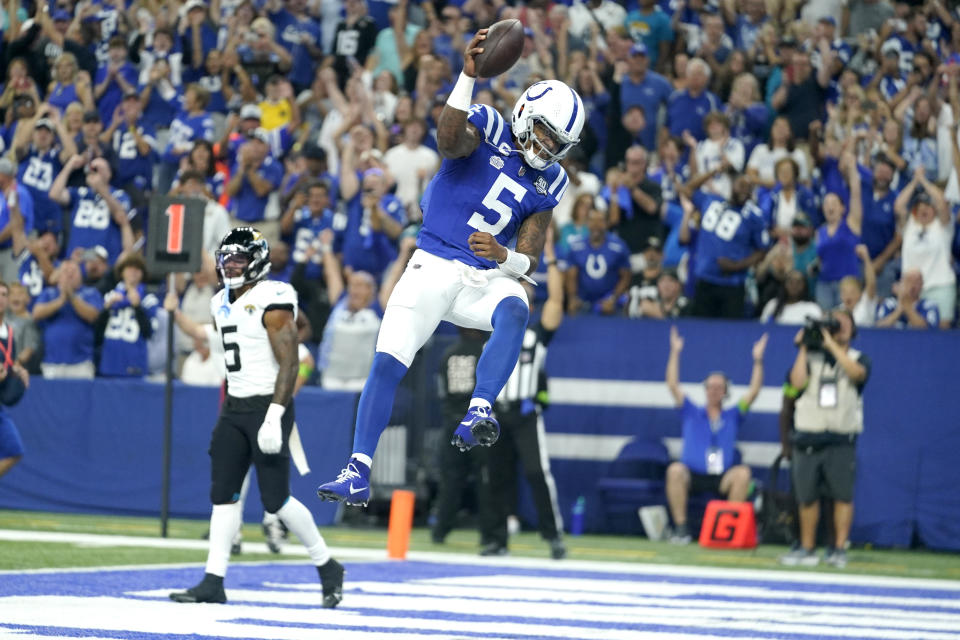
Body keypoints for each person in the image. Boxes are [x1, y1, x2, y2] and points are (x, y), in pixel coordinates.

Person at [316, 31, 584, 506]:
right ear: (524, 114)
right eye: (542, 131)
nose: (544, 145)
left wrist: (506, 258)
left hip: (481, 275)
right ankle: (357, 469)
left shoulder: (552, 180)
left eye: (555, 141)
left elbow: (532, 256)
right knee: (388, 360)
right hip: (433, 262)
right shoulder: (490, 124)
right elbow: (448, 139)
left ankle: (480, 409)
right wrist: (467, 77)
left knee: (517, 303)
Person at [168, 227, 344, 606]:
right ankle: (213, 580)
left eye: (238, 260)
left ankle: (327, 564)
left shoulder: (275, 298)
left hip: (269, 404)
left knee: (276, 500)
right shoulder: (219, 301)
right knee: (223, 497)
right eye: (225, 260)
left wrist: (275, 414)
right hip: (234, 407)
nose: (230, 267)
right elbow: (221, 339)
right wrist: (177, 315)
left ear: (258, 262)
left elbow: (290, 362)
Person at [480, 231, 566, 559]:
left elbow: (557, 302)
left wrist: (553, 255)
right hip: (495, 414)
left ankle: (553, 535)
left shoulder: (536, 334)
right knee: (495, 478)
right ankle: (496, 539)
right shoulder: (490, 327)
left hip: (526, 412)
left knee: (536, 473)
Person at [782, 309, 870, 568]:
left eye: (844, 323)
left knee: (843, 496)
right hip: (809, 435)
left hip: (841, 437)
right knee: (807, 497)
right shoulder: (811, 356)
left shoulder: (858, 357)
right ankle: (808, 548)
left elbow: (857, 374)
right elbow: (796, 384)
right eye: (834, 322)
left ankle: (838, 549)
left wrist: (831, 344)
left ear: (853, 330)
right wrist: (804, 347)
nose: (838, 326)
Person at [664, 326, 767, 544]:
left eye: (719, 387)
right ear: (705, 389)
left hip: (722, 476)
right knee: (674, 471)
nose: (714, 391)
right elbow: (672, 385)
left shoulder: (733, 414)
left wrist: (757, 360)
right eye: (711, 387)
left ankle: (727, 529)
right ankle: (681, 529)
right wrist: (675, 352)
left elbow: (754, 392)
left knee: (742, 474)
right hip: (692, 475)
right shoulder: (691, 411)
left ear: (726, 392)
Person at [32, 260, 102, 379]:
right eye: (65, 271)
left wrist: (71, 297)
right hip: (52, 362)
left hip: (81, 364)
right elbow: (36, 313)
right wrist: (60, 301)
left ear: (80, 275)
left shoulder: (91, 293)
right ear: (59, 276)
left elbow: (93, 315)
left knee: (81, 397)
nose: (69, 275)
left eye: (73, 271)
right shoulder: (49, 293)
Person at [94, 253, 159, 378]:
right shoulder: (110, 297)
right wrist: (106, 309)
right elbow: (97, 333)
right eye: (129, 268)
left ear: (143, 273)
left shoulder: (149, 299)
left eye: (137, 268)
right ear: (122, 272)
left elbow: (149, 332)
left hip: (134, 363)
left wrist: (137, 307)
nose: (133, 272)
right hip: (109, 363)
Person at [564, 208, 631, 315]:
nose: (596, 224)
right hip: (582, 304)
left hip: (610, 305)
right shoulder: (576, 247)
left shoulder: (619, 247)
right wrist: (572, 298)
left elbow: (626, 276)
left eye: (600, 220)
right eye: (592, 220)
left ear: (607, 223)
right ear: (587, 222)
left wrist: (613, 299)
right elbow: (571, 276)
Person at [0, 280, 30, 480]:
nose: (0, 299)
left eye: (3, 294)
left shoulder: (9, 332)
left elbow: (8, 362)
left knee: (14, 450)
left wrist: (17, 371)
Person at [874, 270, 940, 329]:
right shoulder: (889, 304)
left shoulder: (930, 306)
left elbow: (928, 331)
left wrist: (907, 306)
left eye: (917, 282)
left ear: (922, 285)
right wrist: (899, 310)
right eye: (909, 281)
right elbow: (879, 327)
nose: (913, 285)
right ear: (901, 283)